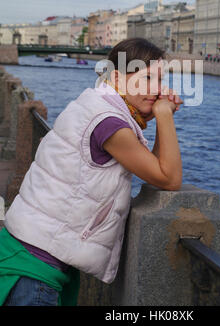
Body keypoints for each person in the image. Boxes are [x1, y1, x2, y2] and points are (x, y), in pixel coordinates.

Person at [0, 38, 183, 306]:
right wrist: (164, 115)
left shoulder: (96, 104)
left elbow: (156, 168)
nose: (156, 90)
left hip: (30, 252)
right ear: (119, 78)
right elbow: (168, 178)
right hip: (36, 269)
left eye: (159, 80)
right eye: (146, 79)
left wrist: (155, 115)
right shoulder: (108, 124)